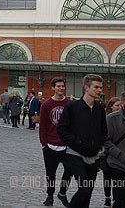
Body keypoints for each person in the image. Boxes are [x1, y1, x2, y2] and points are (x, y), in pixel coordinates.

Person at [57, 74, 107, 208]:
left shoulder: (100, 109)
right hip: (75, 154)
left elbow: (104, 131)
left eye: (100, 87)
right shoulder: (72, 107)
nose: (99, 90)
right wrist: (76, 142)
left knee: (88, 192)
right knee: (84, 189)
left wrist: (98, 145)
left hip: (93, 156)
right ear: (86, 88)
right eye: (96, 87)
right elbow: (61, 129)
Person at [39, 78, 73, 207]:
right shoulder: (46, 105)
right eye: (58, 86)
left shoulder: (69, 104)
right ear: (53, 88)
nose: (61, 88)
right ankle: (50, 195)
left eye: (63, 86)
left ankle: (62, 193)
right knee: (50, 174)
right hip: (50, 146)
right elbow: (43, 126)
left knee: (69, 170)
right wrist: (44, 144)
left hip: (66, 146)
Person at [101, 97, 122, 207]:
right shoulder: (105, 118)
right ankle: (107, 197)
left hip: (120, 152)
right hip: (107, 152)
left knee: (118, 177)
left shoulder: (124, 118)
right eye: (117, 105)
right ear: (111, 106)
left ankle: (117, 198)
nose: (119, 108)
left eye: (120, 105)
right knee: (107, 176)